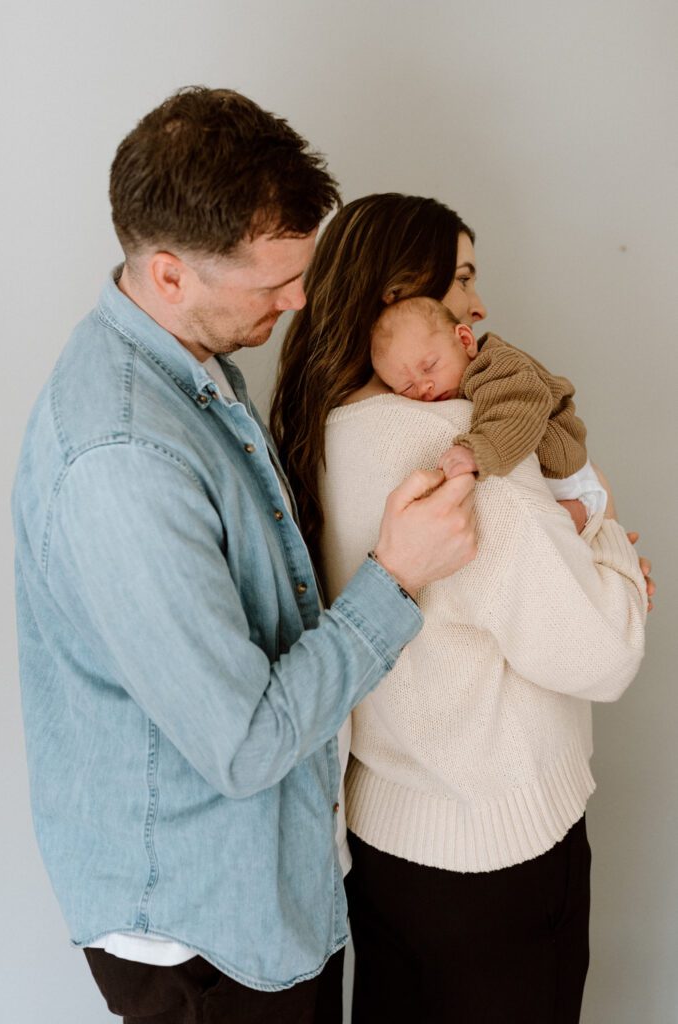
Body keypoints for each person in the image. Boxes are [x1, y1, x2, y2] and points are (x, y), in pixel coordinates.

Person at [11, 95, 478, 1024]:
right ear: (170, 273)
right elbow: (246, 741)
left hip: (260, 885)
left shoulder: (192, 366)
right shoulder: (124, 459)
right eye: (273, 283)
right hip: (206, 932)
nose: (301, 301)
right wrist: (397, 578)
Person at [271, 192, 650, 1022]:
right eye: (462, 276)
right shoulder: (465, 465)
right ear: (394, 291)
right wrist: (608, 541)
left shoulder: (317, 438)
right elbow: (605, 652)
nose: (479, 304)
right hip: (496, 862)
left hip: (380, 849)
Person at [370, 294, 607, 530]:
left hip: (570, 483)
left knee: (552, 528)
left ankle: (590, 518)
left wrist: (478, 449)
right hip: (553, 487)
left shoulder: (497, 365)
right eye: (407, 387)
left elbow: (516, 408)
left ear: (465, 341)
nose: (424, 388)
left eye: (430, 366)